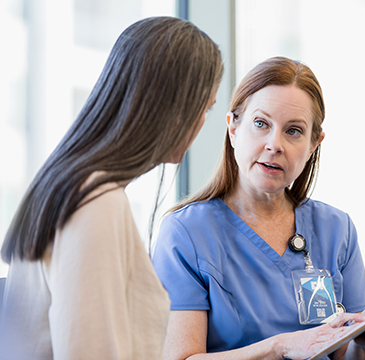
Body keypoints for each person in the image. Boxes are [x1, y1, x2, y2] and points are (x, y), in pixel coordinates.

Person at [0, 17, 224, 359]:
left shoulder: (77, 185)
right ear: (174, 106)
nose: (201, 124)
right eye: (204, 108)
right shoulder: (95, 200)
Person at [151, 56, 365, 360]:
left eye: (293, 131)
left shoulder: (336, 229)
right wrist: (280, 347)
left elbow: (351, 355)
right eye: (261, 124)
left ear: (313, 145)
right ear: (233, 128)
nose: (275, 144)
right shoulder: (187, 233)